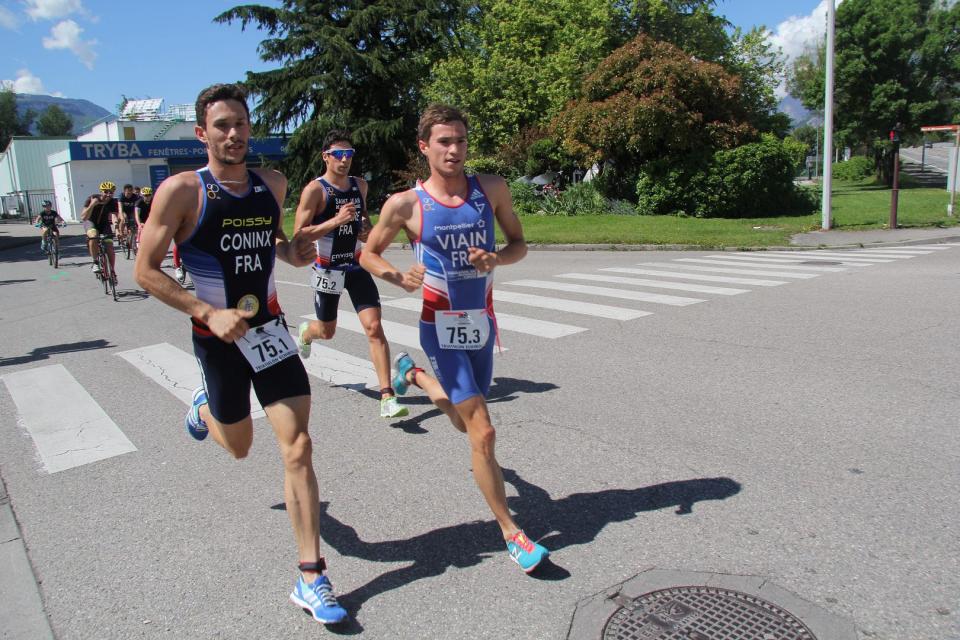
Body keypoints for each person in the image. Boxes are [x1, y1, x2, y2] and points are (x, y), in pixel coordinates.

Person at [133, 83, 348, 625]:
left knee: (298, 447)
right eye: (222, 125)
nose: (233, 134)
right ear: (202, 133)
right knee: (239, 447)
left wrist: (292, 252)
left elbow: (271, 240)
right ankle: (202, 405)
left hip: (269, 329)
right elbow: (144, 270)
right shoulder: (182, 191)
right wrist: (206, 312)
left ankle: (311, 576)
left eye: (241, 124)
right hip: (217, 338)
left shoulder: (270, 183)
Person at [360, 104, 549, 573]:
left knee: (468, 425)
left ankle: (416, 377)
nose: (454, 149)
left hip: (480, 322)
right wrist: (397, 276)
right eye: (444, 141)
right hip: (439, 324)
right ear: (424, 147)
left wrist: (498, 260)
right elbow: (368, 254)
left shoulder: (492, 189)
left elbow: (519, 243)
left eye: (461, 140)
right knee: (483, 430)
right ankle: (512, 531)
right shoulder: (406, 204)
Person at [293, 130, 407, 419]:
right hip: (327, 269)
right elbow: (299, 235)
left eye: (349, 154)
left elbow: (364, 217)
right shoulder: (315, 191)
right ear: (326, 157)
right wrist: (336, 220)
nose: (345, 160)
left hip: (356, 266)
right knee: (327, 331)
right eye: (338, 155)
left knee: (374, 327)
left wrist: (365, 228)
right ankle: (308, 333)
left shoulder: (360, 185)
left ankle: (386, 396)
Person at [81, 181, 120, 277]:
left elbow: (114, 216)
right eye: (106, 192)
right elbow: (84, 217)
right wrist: (92, 205)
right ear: (101, 191)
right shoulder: (92, 198)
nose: (108, 194)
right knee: (94, 236)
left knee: (110, 246)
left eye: (111, 192)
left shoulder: (112, 202)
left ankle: (112, 271)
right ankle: (95, 263)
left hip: (104, 224)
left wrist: (117, 230)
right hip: (91, 222)